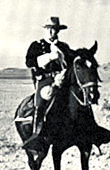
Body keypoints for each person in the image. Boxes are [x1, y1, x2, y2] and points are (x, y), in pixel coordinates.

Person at [22, 16, 75, 149]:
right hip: (45, 80)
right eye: (50, 29)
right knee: (42, 100)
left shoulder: (63, 47)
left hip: (62, 79)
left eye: (55, 29)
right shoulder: (37, 45)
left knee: (77, 97)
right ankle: (36, 134)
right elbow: (29, 62)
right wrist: (49, 57)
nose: (52, 32)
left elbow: (70, 63)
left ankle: (89, 128)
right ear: (45, 30)